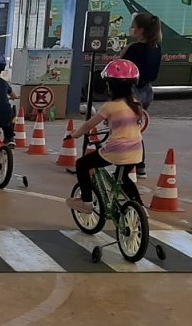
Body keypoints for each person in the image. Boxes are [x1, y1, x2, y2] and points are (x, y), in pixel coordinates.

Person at [65, 60, 145, 214]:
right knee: (122, 178)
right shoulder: (136, 103)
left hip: (117, 152)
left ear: (110, 86)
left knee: (82, 164)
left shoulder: (109, 107)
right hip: (137, 151)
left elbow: (88, 125)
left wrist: (74, 135)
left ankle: (86, 202)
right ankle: (140, 207)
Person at [120, 12, 162, 179]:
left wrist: (123, 53)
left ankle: (133, 164)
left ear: (141, 30)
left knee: (126, 129)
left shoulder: (134, 49)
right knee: (135, 128)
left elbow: (119, 68)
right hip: (147, 92)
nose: (132, 30)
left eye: (134, 27)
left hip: (132, 91)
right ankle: (139, 165)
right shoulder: (157, 48)